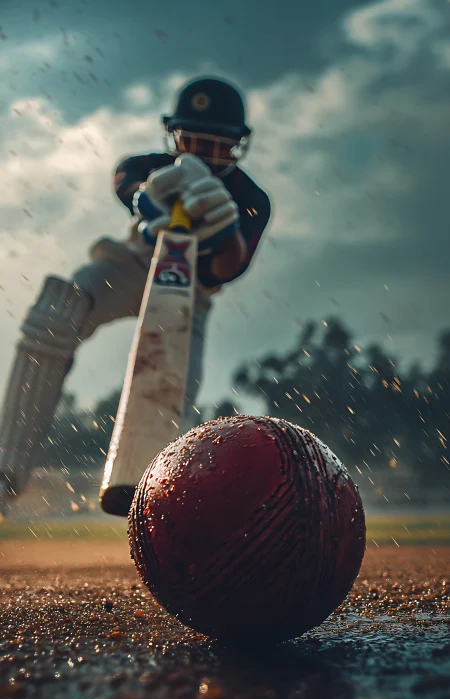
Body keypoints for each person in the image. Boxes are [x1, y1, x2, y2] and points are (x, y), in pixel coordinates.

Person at [0, 76, 271, 511]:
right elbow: (128, 188)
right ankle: (4, 469)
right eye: (191, 140)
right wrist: (150, 202)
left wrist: (227, 231)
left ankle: (149, 495)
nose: (200, 153)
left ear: (237, 145)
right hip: (132, 264)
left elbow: (226, 271)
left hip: (191, 289)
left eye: (216, 145)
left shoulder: (251, 198)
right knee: (56, 313)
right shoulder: (146, 166)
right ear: (174, 134)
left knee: (170, 390)